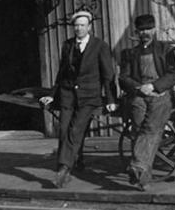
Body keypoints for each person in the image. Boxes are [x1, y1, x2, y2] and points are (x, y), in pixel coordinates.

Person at [39, 10, 117, 188]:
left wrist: (111, 99)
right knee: (64, 129)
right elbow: (62, 73)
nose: (79, 28)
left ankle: (64, 169)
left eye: (82, 25)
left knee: (75, 130)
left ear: (89, 27)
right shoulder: (67, 45)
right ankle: (76, 160)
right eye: (76, 25)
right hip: (68, 95)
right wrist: (52, 95)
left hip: (89, 96)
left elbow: (108, 74)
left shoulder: (100, 46)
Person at [118, 13, 175, 190]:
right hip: (139, 95)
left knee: (151, 127)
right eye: (142, 30)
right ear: (136, 32)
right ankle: (143, 176)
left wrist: (154, 86)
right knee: (138, 128)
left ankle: (137, 166)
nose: (145, 33)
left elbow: (173, 75)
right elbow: (123, 78)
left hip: (161, 93)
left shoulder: (165, 49)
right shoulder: (129, 53)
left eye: (149, 29)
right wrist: (139, 87)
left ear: (155, 29)